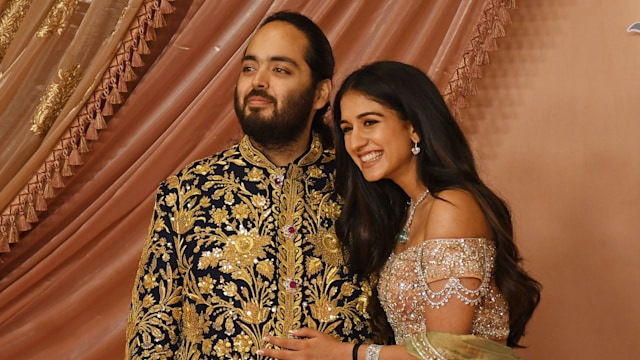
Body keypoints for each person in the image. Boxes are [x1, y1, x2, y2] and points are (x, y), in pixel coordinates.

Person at [125, 12, 378, 359]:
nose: (258, 81)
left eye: (280, 70)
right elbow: (151, 337)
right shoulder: (186, 192)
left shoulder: (362, 185)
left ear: (320, 93)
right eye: (249, 68)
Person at [259, 61, 541, 359]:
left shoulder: (452, 206)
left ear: (414, 127)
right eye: (347, 129)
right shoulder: (408, 211)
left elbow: (447, 351)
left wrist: (342, 354)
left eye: (370, 122)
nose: (355, 142)